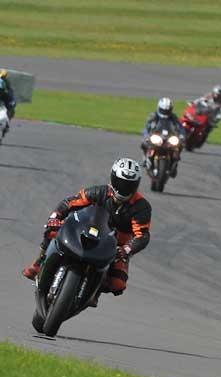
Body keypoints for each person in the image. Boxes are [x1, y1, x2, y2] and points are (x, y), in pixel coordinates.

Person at [22, 158, 152, 302]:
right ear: (112, 178)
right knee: (52, 230)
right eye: (121, 182)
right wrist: (55, 216)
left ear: (136, 184)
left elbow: (142, 235)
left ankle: (94, 290)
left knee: (117, 284)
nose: (124, 188)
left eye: (129, 185)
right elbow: (69, 202)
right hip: (87, 230)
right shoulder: (99, 192)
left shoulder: (141, 207)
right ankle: (38, 263)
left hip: (117, 246)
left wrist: (127, 249)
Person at [141, 97, 185, 177]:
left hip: (169, 138)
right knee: (144, 144)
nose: (165, 112)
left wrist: (182, 136)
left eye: (167, 110)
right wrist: (146, 135)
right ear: (159, 108)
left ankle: (174, 164)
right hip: (156, 136)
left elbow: (180, 128)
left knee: (180, 145)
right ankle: (145, 159)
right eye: (163, 110)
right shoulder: (153, 116)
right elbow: (146, 127)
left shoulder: (174, 118)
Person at [0, 69, 17, 135]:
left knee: (11, 109)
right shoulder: (6, 82)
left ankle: (7, 124)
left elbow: (11, 98)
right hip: (6, 97)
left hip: (6, 97)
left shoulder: (6, 83)